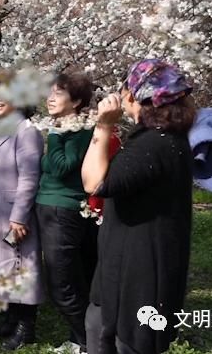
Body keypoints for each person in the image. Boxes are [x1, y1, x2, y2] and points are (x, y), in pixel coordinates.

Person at [82, 59, 195, 354]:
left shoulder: (152, 144)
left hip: (137, 271)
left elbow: (93, 183)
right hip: (140, 260)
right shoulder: (171, 139)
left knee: (121, 341)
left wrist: (104, 125)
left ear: (135, 96)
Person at [35, 73, 96, 354]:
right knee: (72, 278)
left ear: (77, 101)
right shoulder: (64, 127)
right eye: (50, 93)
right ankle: (80, 338)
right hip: (52, 209)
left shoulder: (78, 131)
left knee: (62, 283)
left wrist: (56, 136)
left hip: (64, 211)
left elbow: (61, 167)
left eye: (58, 94)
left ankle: (90, 341)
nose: (50, 98)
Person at [0, 101, 45, 350]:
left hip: (14, 215)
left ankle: (26, 327)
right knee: (6, 267)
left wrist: (20, 216)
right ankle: (11, 317)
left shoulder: (26, 131)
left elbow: (30, 176)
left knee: (21, 267)